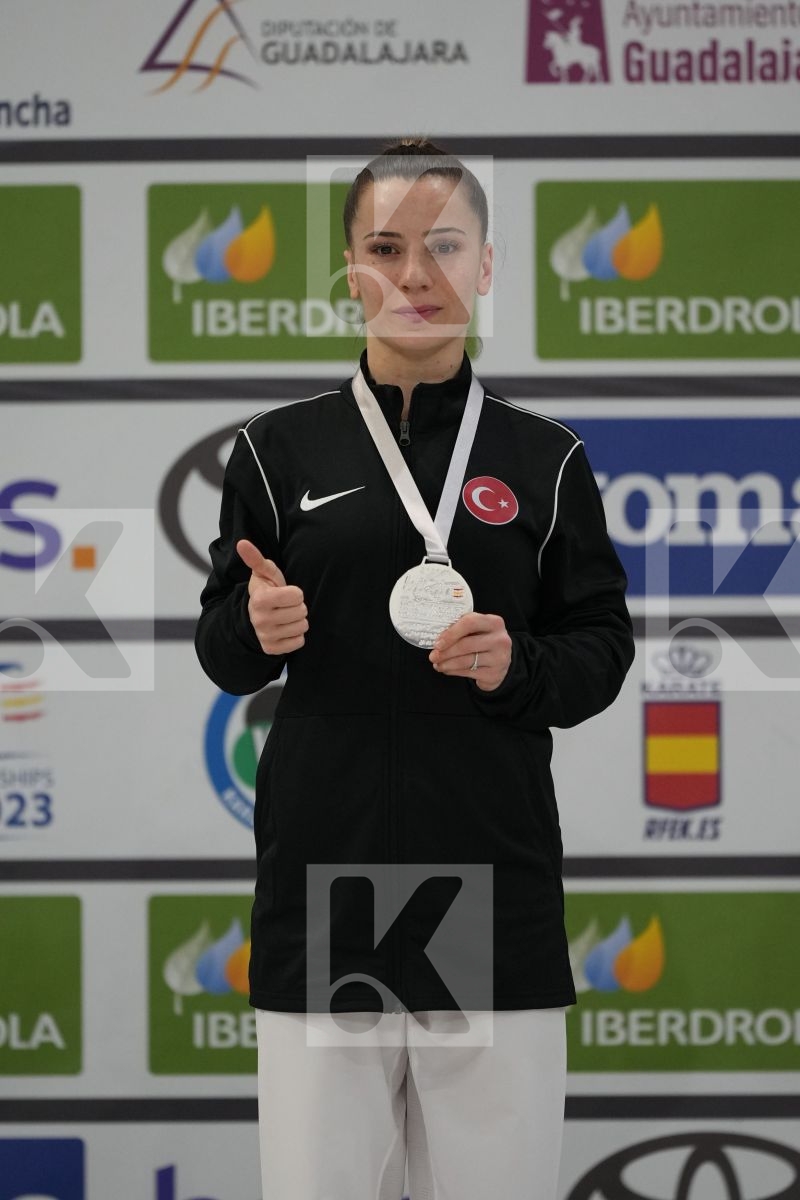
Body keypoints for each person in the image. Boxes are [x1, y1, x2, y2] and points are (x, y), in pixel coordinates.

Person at [195, 137, 635, 1200]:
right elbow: (220, 647)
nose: (415, 275)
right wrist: (256, 627)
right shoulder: (275, 452)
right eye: (385, 249)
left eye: (443, 246)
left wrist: (517, 663)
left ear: (486, 264)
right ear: (350, 271)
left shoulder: (544, 458)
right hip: (326, 878)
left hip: (485, 876)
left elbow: (600, 647)